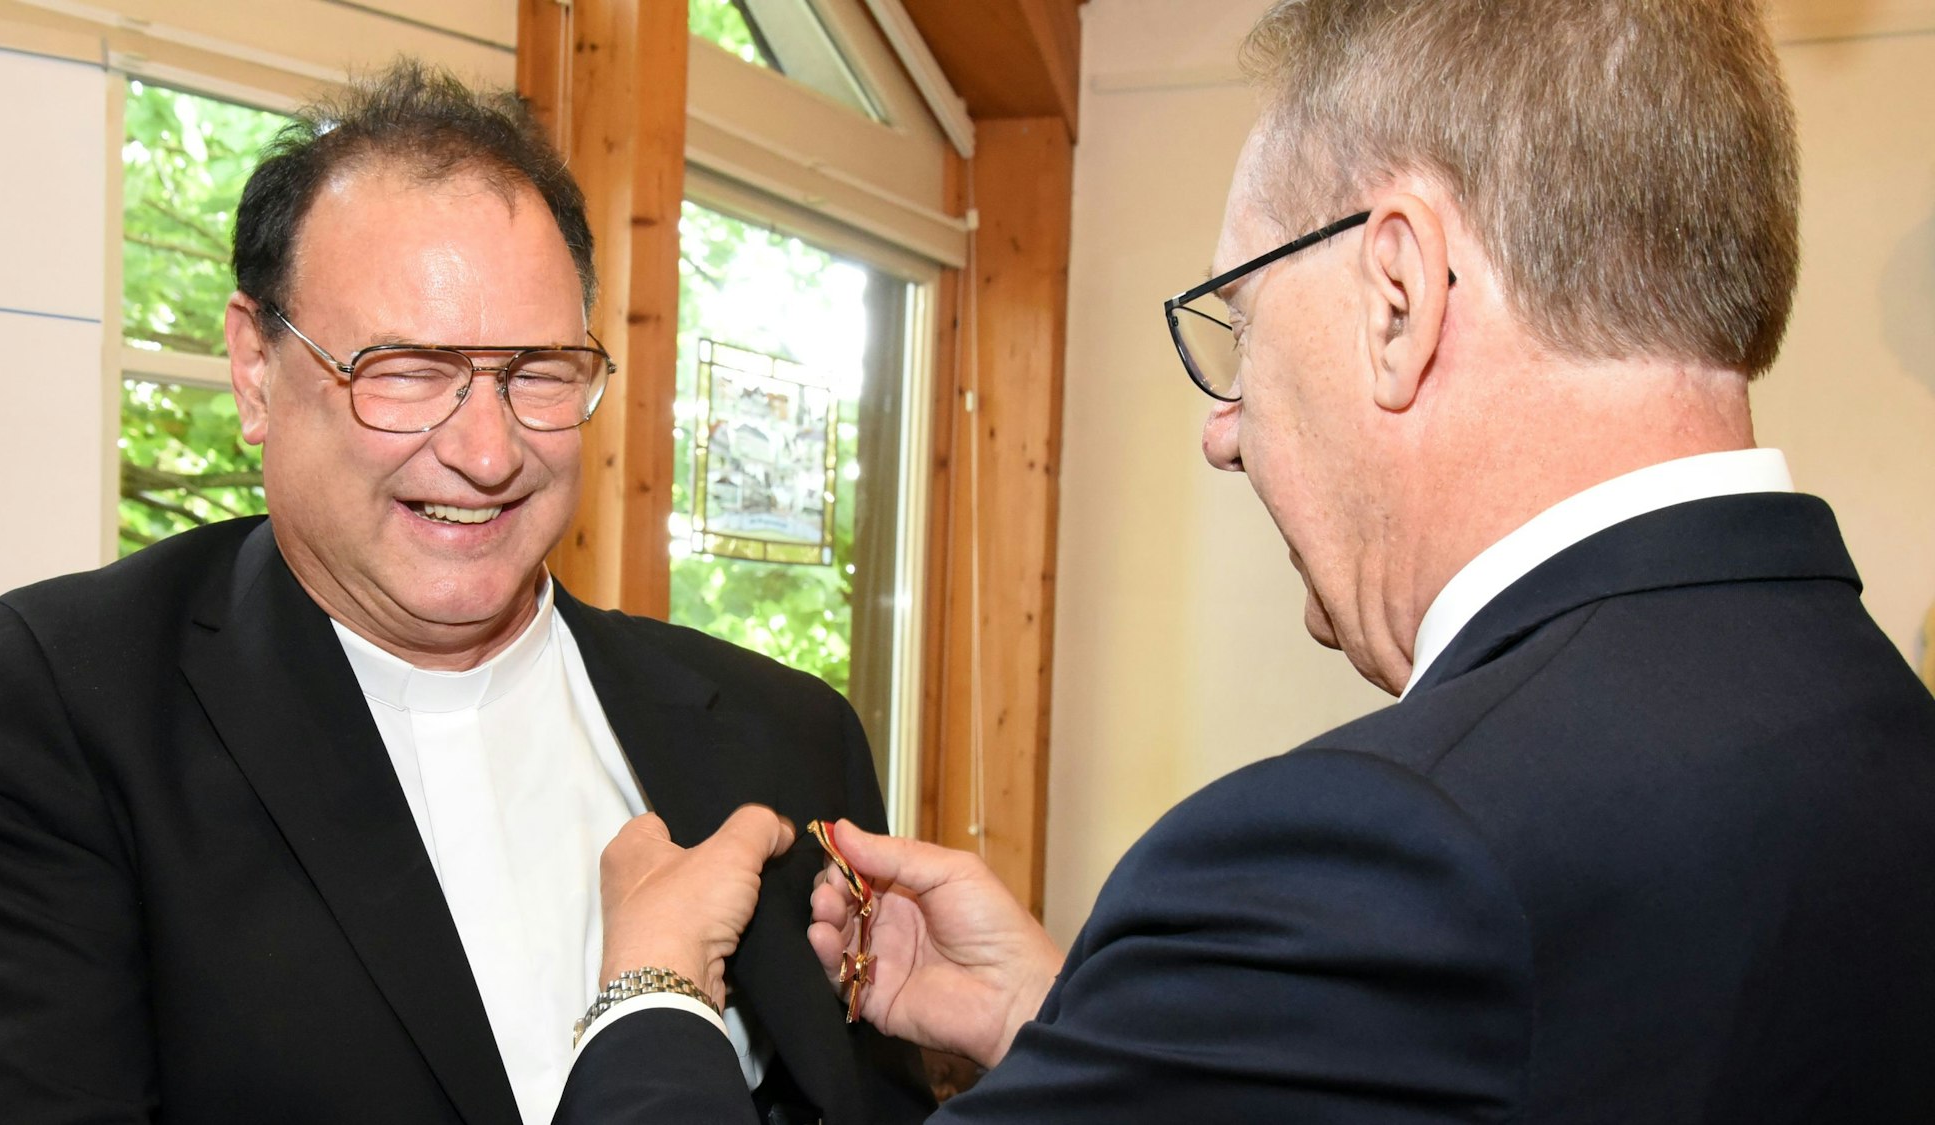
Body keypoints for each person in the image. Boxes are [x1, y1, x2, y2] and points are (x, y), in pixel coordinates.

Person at [552, 1, 1935, 1121]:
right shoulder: (1865, 714)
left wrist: (655, 995)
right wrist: (1085, 1030)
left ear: (1398, 296)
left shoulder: (1376, 856)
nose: (1224, 431)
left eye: (1240, 325)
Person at [0, 62, 929, 1125]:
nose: (487, 450)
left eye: (540, 370)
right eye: (406, 368)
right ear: (255, 369)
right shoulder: (68, 705)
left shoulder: (787, 733)